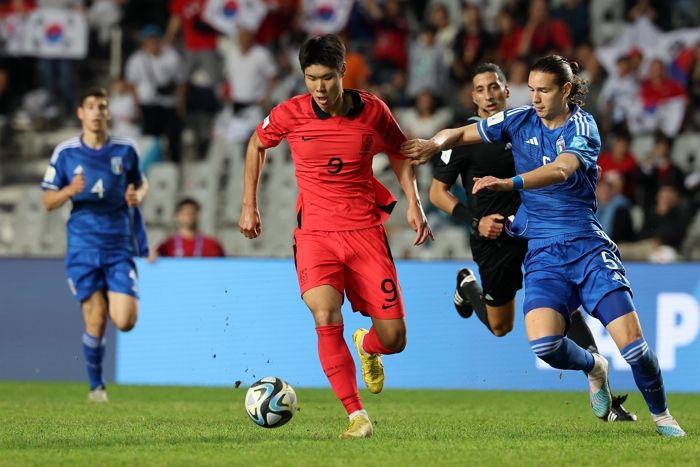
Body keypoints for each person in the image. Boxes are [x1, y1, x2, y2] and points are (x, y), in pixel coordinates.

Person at [401, 55, 685, 437]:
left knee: (633, 348)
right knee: (545, 344)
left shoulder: (583, 125)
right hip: (543, 253)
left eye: (544, 90)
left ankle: (663, 416)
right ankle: (593, 368)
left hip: (587, 248)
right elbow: (459, 133)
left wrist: (509, 184)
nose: (534, 98)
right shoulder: (517, 119)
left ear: (566, 90)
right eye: (531, 89)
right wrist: (433, 143)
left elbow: (562, 169)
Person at [238, 34, 432, 439]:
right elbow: (257, 142)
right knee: (325, 315)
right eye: (311, 79)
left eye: (327, 78)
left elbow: (398, 150)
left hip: (365, 233)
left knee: (394, 339)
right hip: (316, 235)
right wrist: (248, 204)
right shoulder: (290, 113)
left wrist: (413, 202)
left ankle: (368, 347)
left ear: (343, 72)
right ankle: (356, 416)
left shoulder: (374, 111)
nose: (320, 89)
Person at [430, 62, 635, 421]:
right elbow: (437, 192)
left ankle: (601, 385)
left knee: (567, 307)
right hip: (493, 237)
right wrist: (475, 221)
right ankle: (467, 287)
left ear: (508, 91)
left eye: (494, 87)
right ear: (472, 96)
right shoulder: (468, 138)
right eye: (480, 89)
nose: (488, 95)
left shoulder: (527, 123)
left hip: (539, 230)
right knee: (500, 326)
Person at [41, 87, 149, 402]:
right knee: (97, 318)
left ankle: (97, 384)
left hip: (118, 246)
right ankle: (96, 387)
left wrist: (137, 196)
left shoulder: (126, 149)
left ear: (108, 113)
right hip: (82, 246)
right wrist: (69, 191)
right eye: (91, 106)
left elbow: (141, 185)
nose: (97, 112)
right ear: (80, 113)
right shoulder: (65, 152)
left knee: (126, 321)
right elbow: (48, 201)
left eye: (102, 106)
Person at [150, 197, 225, 259]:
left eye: (193, 213)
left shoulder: (212, 245)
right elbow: (152, 261)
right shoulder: (166, 246)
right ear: (177, 216)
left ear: (198, 216)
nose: (189, 216)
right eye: (186, 213)